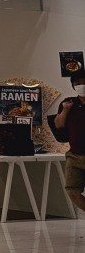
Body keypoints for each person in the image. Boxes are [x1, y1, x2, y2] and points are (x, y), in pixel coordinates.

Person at [52, 74, 85, 214]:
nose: (81, 86)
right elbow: (59, 125)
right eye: (78, 83)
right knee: (72, 190)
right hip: (74, 154)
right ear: (73, 86)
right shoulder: (69, 103)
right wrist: (65, 110)